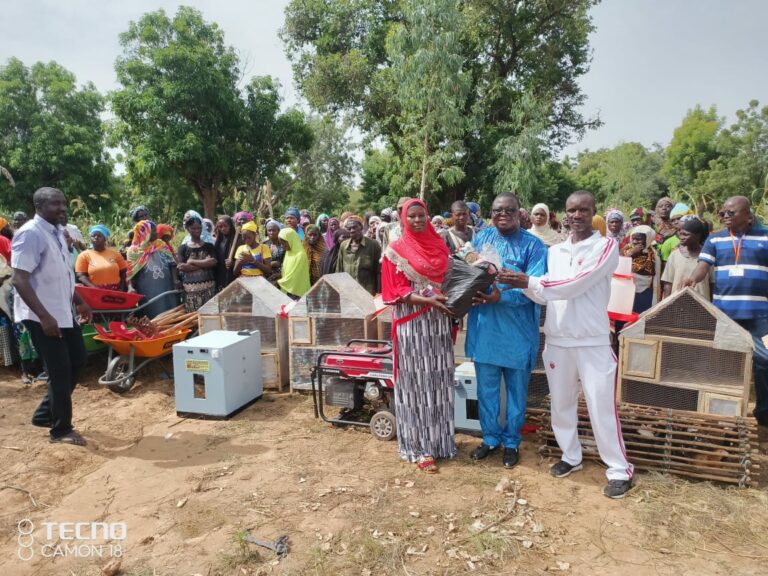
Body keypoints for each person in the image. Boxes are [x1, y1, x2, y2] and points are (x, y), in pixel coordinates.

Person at [505, 190, 634, 499]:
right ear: (564, 214)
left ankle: (619, 469)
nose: (576, 216)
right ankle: (571, 456)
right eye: (571, 210)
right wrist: (514, 282)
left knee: (600, 404)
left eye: (583, 210)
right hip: (558, 339)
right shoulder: (556, 251)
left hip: (592, 341)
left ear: (593, 213)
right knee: (561, 404)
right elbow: (545, 292)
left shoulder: (606, 246)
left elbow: (577, 285)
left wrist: (529, 282)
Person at [466, 193, 548, 468]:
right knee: (487, 391)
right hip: (486, 330)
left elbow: (535, 288)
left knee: (516, 393)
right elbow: (469, 275)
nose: (503, 215)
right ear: (491, 213)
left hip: (517, 333)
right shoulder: (481, 239)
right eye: (497, 210)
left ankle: (511, 442)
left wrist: (501, 296)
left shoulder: (534, 246)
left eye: (509, 210)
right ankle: (490, 438)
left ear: (519, 213)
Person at [11, 187, 92, 446]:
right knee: (59, 370)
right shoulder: (30, 234)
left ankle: (45, 413)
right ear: (40, 206)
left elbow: (63, 274)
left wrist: (79, 300)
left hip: (62, 311)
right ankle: (60, 430)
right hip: (41, 316)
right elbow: (19, 279)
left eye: (64, 203)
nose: (63, 208)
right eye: (56, 204)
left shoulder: (57, 232)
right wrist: (44, 317)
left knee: (78, 358)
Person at [685, 196, 768, 445]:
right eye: (723, 212)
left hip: (762, 317)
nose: (725, 216)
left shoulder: (765, 236)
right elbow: (703, 266)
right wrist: (692, 278)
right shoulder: (716, 238)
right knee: (723, 362)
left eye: (731, 212)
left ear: (748, 215)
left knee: (765, 362)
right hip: (725, 315)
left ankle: (764, 416)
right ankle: (724, 416)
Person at [381, 198, 456, 473]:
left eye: (421, 215)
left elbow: (450, 279)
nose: (416, 220)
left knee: (438, 379)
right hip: (412, 325)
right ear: (403, 219)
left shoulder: (440, 246)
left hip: (438, 324)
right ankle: (419, 446)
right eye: (411, 216)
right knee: (416, 383)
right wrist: (427, 301)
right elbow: (393, 292)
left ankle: (441, 442)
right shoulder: (395, 251)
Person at [127, 220, 179, 318]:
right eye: (153, 231)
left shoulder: (161, 244)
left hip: (167, 285)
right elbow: (130, 273)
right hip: (147, 288)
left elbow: (172, 263)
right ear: (145, 233)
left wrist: (175, 279)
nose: (156, 233)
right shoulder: (134, 251)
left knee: (170, 311)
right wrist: (130, 287)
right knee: (152, 313)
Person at [661, 216, 710, 300]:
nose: (681, 237)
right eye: (680, 233)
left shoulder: (707, 256)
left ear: (698, 236)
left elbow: (712, 283)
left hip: (702, 305)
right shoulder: (674, 255)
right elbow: (668, 284)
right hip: (677, 303)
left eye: (686, 234)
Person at [177, 215, 217, 312]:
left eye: (199, 228)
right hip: (191, 290)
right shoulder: (183, 248)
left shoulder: (209, 246)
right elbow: (182, 267)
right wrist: (204, 263)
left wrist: (192, 261)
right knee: (193, 319)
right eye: (193, 228)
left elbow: (213, 262)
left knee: (210, 316)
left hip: (209, 288)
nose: (197, 230)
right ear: (188, 229)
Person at [75, 225, 131, 291]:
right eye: (93, 235)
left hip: (116, 290)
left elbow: (123, 272)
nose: (96, 237)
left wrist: (121, 288)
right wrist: (96, 289)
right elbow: (81, 276)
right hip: (94, 291)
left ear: (105, 238)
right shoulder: (83, 255)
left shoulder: (115, 253)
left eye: (99, 236)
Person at [336, 216, 382, 295]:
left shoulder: (373, 245)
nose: (352, 230)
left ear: (361, 227)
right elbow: (339, 270)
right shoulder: (344, 246)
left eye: (355, 227)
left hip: (367, 291)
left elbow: (378, 271)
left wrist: (379, 292)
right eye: (349, 229)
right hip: (349, 291)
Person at [622, 225, 660, 314]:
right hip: (626, 291)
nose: (636, 242)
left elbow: (656, 276)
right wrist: (631, 254)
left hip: (645, 293)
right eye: (634, 239)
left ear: (648, 239)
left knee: (641, 317)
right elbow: (618, 268)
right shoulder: (625, 251)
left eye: (640, 239)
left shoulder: (654, 255)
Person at [277, 227, 310, 299]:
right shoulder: (289, 252)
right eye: (281, 244)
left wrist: (278, 282)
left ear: (291, 240)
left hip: (296, 292)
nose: (282, 246)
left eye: (283, 243)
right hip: (287, 289)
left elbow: (294, 276)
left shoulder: (300, 255)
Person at [213, 215, 237, 290]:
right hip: (220, 275)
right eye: (220, 227)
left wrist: (233, 263)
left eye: (225, 226)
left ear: (230, 226)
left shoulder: (238, 239)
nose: (223, 229)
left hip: (233, 274)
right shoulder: (219, 240)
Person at [264, 220, 285, 285]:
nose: (271, 233)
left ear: (279, 231)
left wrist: (280, 273)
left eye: (274, 230)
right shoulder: (264, 244)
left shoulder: (284, 244)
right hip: (266, 274)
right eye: (269, 230)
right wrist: (272, 264)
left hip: (281, 275)